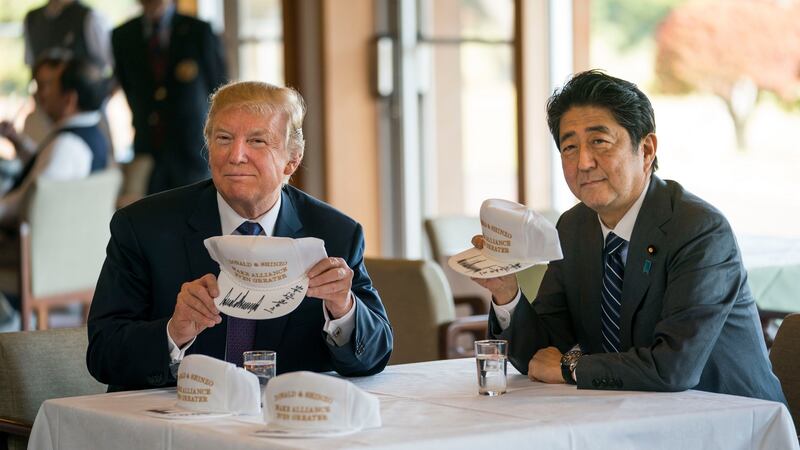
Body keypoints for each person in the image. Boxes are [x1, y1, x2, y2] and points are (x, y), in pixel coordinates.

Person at [473, 70, 785, 403]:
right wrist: (506, 291)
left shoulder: (699, 230)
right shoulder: (573, 228)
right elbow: (541, 356)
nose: (584, 162)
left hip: (729, 419)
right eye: (569, 147)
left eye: (599, 142)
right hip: (628, 413)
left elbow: (674, 367)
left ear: (647, 149)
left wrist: (570, 368)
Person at [87, 81, 393, 392]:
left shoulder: (334, 233)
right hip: (177, 421)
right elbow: (102, 355)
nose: (236, 155)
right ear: (208, 151)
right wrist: (173, 332)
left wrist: (343, 308)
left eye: (257, 141)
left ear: (292, 159)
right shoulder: (143, 227)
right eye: (224, 139)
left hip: (284, 425)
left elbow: (373, 358)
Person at [112, 0, 227, 195]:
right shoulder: (123, 35)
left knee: (197, 214)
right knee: (152, 217)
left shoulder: (198, 31)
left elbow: (220, 90)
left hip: (192, 148)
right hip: (147, 146)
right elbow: (127, 86)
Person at [0, 56, 110, 229]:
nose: (42, 94)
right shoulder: (92, 134)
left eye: (51, 86)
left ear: (69, 100)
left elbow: (27, 205)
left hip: (21, 248)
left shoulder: (67, 145)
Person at [23, 0, 113, 72]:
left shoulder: (90, 18)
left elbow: (113, 64)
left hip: (85, 92)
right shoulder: (32, 19)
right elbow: (32, 66)